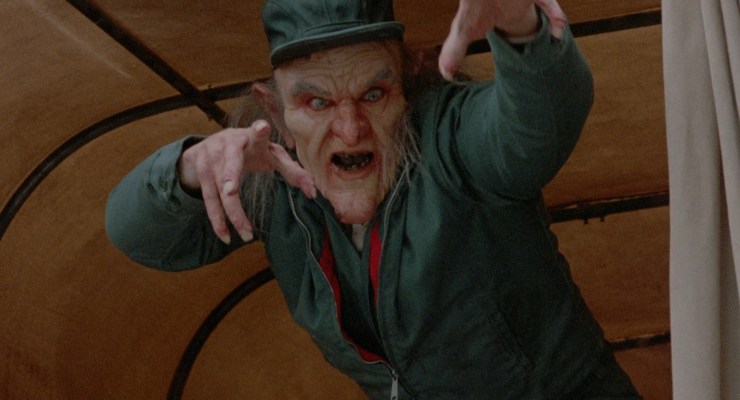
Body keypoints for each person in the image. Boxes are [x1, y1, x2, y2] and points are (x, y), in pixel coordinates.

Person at [106, 0, 642, 398]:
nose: (350, 128)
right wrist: (186, 170)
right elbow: (139, 236)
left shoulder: (452, 142)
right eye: (316, 102)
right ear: (275, 112)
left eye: (373, 94)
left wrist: (522, 26)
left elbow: (540, 124)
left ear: (408, 86)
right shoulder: (273, 174)